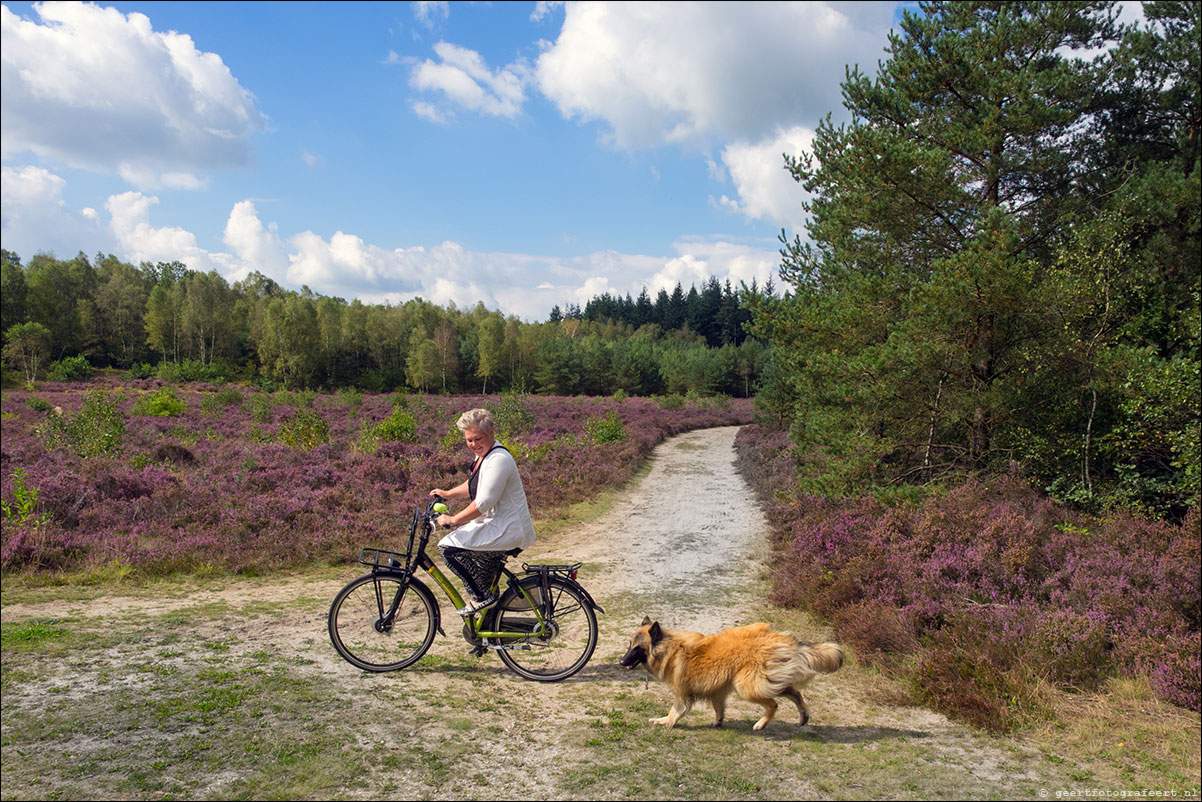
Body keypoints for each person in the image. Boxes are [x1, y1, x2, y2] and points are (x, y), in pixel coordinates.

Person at [429, 408, 535, 615]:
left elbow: (484, 501)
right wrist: (448, 493)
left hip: (507, 528)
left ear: (491, 432)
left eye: (478, 438)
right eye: (469, 440)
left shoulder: (498, 460)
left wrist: (453, 520)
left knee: (448, 549)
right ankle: (487, 627)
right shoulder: (485, 456)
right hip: (499, 525)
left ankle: (482, 597)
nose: (474, 444)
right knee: (482, 575)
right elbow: (474, 485)